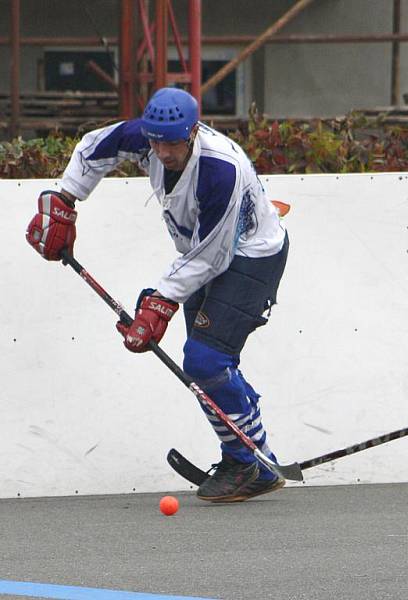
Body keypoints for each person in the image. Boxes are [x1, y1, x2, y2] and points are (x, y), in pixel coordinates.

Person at [25, 87, 290, 503]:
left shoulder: (221, 170)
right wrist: (64, 200)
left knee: (205, 360)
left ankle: (247, 461)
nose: (162, 152)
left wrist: (159, 303)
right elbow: (93, 148)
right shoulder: (147, 137)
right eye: (155, 142)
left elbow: (213, 256)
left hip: (250, 256)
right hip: (202, 254)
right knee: (208, 364)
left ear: (193, 133)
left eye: (172, 143)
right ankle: (254, 458)